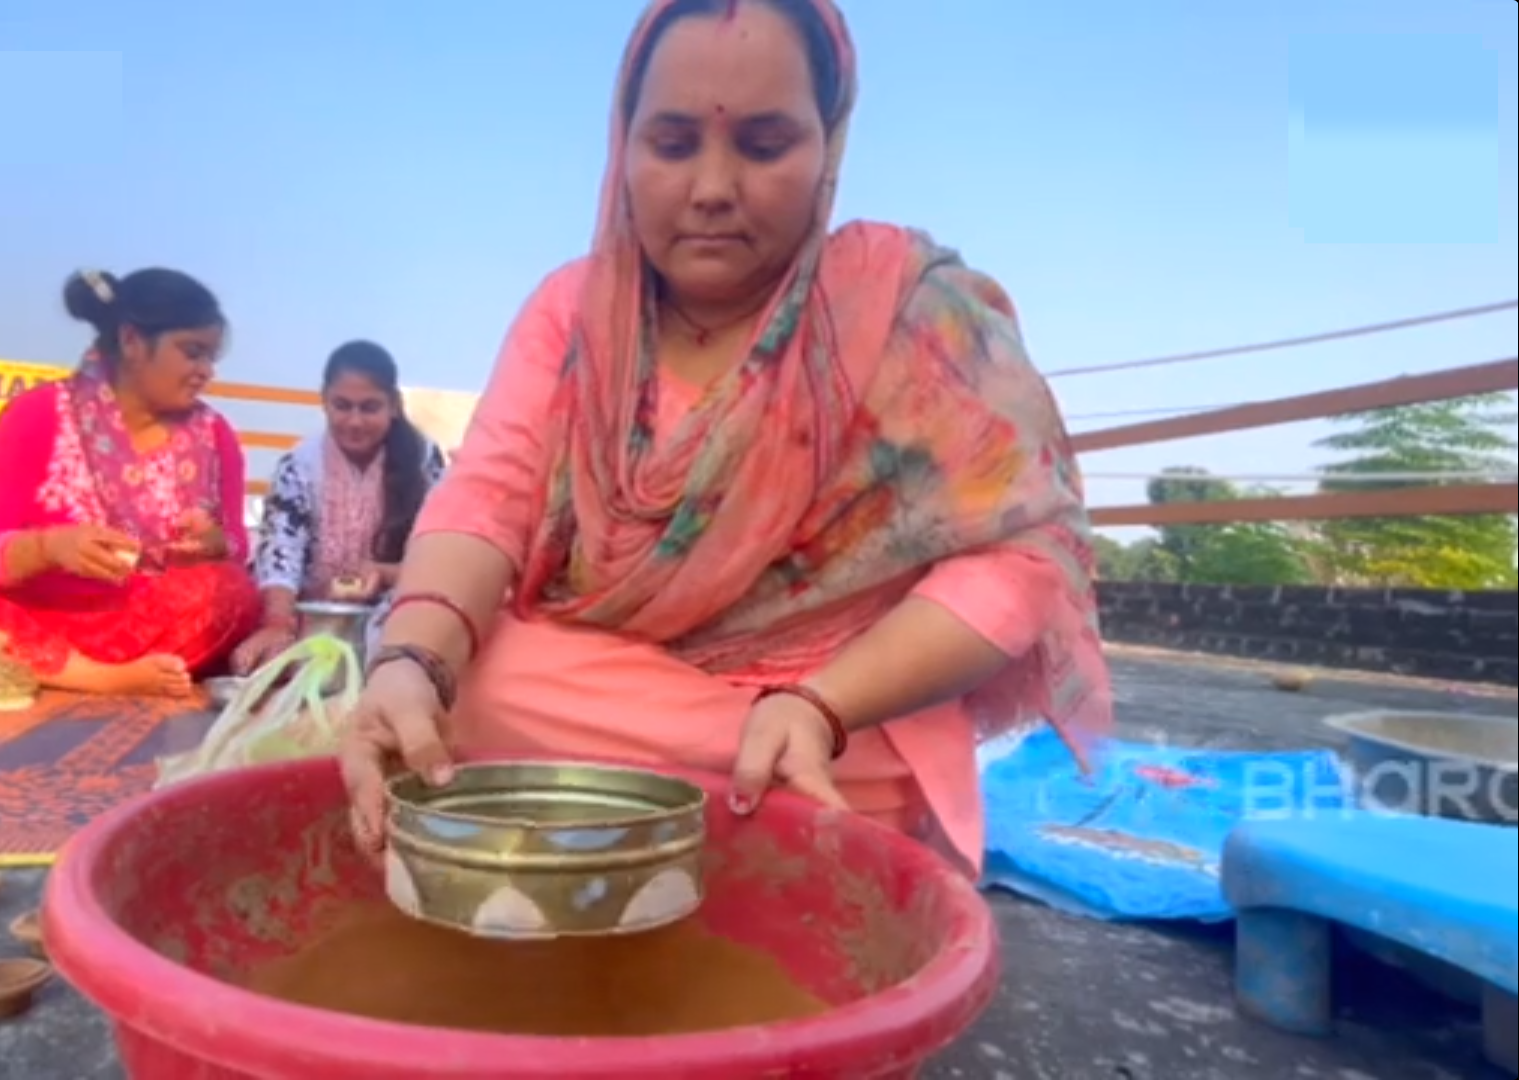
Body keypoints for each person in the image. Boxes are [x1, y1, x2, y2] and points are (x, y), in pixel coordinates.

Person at [339, 0, 1112, 876]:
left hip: (832, 721)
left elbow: (1022, 560)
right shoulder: (574, 311)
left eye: (765, 144)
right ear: (622, 146)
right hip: (587, 690)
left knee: (507, 706)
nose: (712, 187)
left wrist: (820, 704)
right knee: (459, 678)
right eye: (671, 145)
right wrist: (412, 661)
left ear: (829, 144)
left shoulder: (909, 311)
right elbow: (488, 497)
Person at [0, 268, 261, 698]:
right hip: (22, 617)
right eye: (192, 353)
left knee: (231, 592)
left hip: (144, 620)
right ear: (132, 341)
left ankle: (32, 669)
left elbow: (237, 550)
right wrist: (49, 548)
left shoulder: (215, 436)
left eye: (211, 358)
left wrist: (215, 544)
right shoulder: (37, 415)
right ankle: (91, 677)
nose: (205, 371)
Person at [231, 340, 447, 672]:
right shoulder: (300, 464)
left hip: (392, 610)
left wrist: (383, 574)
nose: (355, 421)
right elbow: (280, 554)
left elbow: (442, 557)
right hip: (310, 614)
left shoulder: (423, 460)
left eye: (369, 407)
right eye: (342, 406)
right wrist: (277, 623)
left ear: (393, 406)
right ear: (324, 402)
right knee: (261, 657)